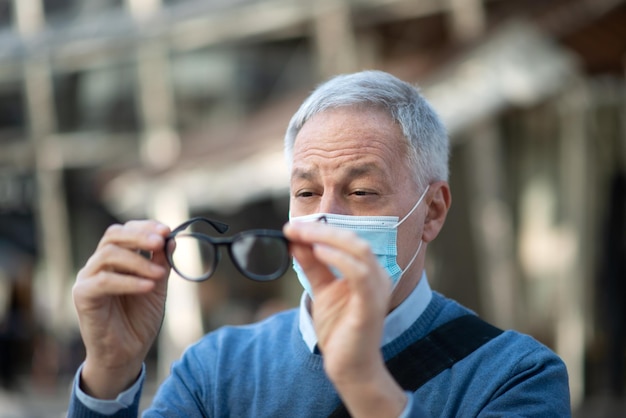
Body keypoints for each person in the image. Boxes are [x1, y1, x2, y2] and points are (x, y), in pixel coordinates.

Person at [68, 70, 571, 417]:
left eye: (361, 191)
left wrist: (363, 381)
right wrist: (109, 374)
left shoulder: (515, 375)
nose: (327, 217)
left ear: (433, 211)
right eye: (306, 192)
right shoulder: (217, 369)